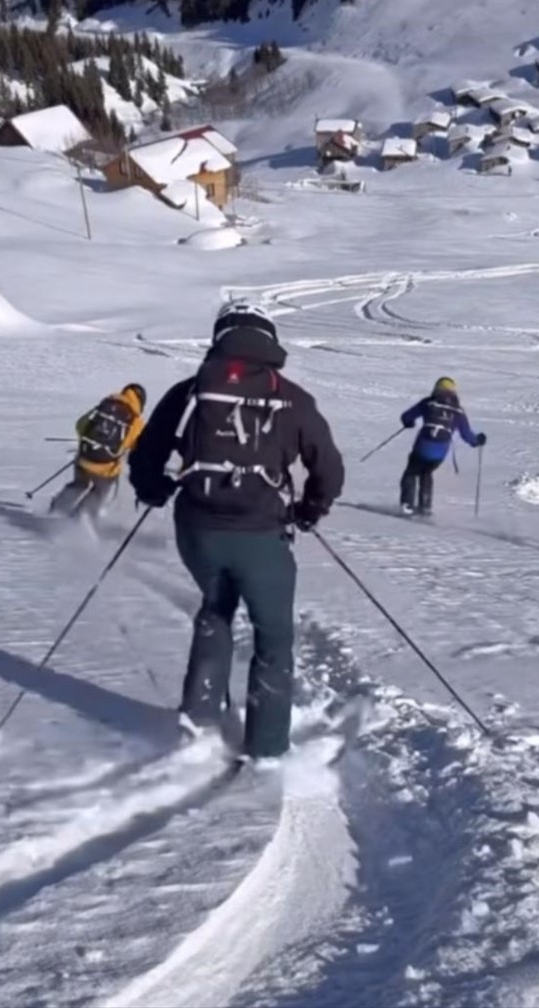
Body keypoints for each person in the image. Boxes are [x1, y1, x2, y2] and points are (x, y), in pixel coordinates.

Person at [128, 302, 344, 760]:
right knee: (274, 637)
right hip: (262, 533)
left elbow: (145, 453)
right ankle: (266, 749)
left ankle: (199, 725)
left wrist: (154, 489)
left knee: (215, 611)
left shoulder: (191, 392)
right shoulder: (292, 397)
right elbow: (329, 466)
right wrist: (310, 509)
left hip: (198, 529)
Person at [50, 384, 146, 519]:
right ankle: (82, 518)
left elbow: (80, 425)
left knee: (79, 484)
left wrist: (91, 444)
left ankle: (57, 508)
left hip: (84, 458)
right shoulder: (135, 419)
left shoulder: (106, 404)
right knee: (98, 493)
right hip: (106, 467)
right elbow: (137, 446)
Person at [399, 377, 486, 516]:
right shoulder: (458, 411)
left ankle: (407, 505)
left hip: (422, 446)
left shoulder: (428, 403)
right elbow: (467, 436)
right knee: (426, 472)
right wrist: (478, 441)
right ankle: (425, 507)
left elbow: (406, 416)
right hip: (440, 452)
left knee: (411, 472)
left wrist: (409, 423)